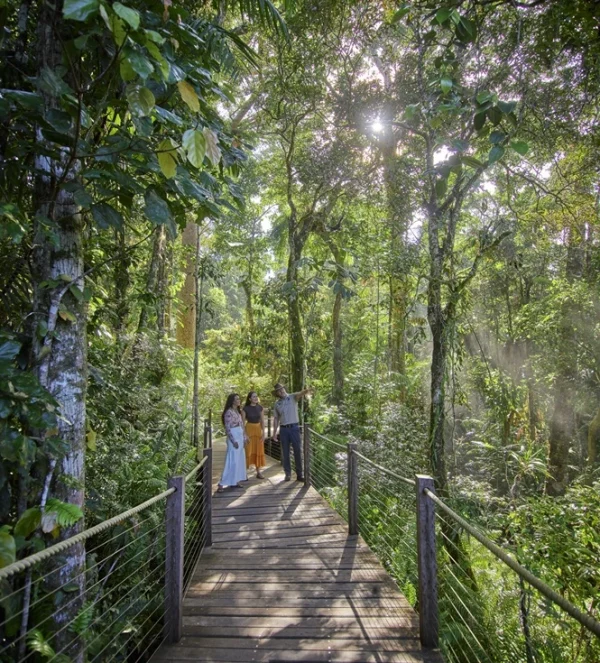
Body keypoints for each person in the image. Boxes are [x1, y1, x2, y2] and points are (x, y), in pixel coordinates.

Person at [272, 382, 313, 482]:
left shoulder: (292, 397)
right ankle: (288, 474)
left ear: (284, 389)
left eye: (282, 389)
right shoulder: (277, 404)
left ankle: (300, 474)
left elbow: (300, 393)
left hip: (294, 428)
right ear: (277, 393)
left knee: (297, 451)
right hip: (284, 429)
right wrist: (274, 433)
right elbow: (276, 419)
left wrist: (307, 390)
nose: (281, 391)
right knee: (285, 452)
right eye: (278, 391)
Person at [217, 393, 248, 492]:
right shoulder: (228, 412)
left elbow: (242, 425)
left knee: (239, 459)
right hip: (233, 436)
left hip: (239, 434)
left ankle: (236, 480)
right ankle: (222, 483)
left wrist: (244, 437)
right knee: (232, 460)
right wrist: (233, 440)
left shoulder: (238, 412)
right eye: (237, 399)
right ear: (232, 401)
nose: (239, 400)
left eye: (239, 399)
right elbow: (227, 428)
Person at [243, 391, 266, 479]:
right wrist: (245, 434)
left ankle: (258, 472)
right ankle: (244, 473)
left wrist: (264, 433)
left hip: (258, 429)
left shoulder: (260, 407)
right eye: (253, 397)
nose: (256, 398)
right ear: (249, 399)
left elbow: (262, 421)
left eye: (256, 396)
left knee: (258, 449)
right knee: (247, 450)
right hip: (249, 429)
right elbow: (242, 422)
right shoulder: (245, 408)